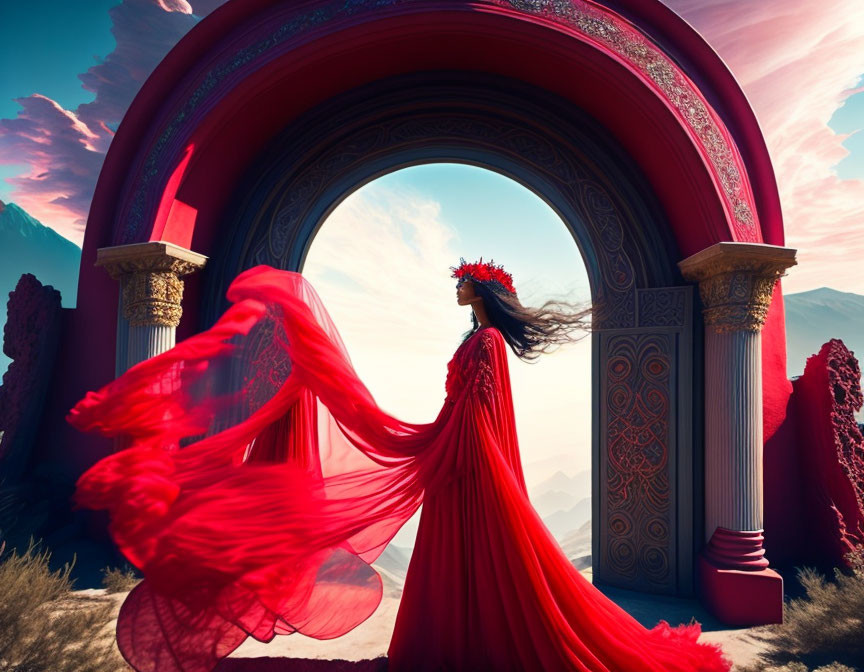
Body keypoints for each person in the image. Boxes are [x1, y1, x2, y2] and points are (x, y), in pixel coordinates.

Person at [67, 259, 731, 672]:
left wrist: (438, 449)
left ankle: (481, 646)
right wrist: (434, 442)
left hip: (472, 469)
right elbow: (470, 411)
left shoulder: (487, 341)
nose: (457, 286)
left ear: (479, 288)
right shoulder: (478, 339)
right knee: (465, 559)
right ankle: (466, 645)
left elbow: (484, 415)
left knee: (493, 562)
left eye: (463, 279)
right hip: (461, 462)